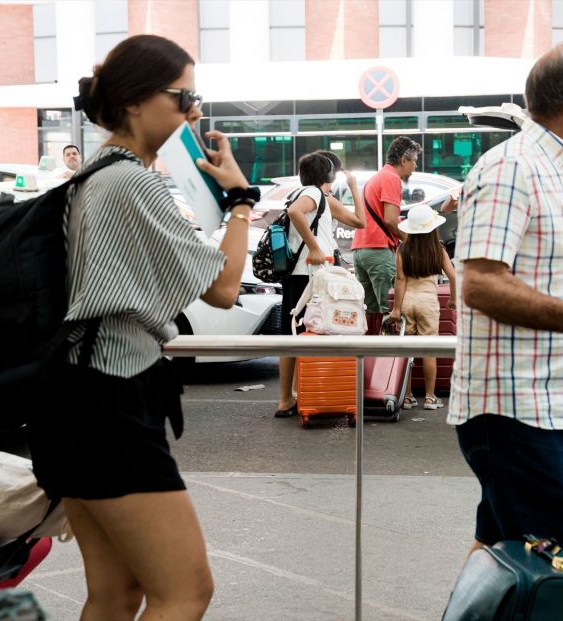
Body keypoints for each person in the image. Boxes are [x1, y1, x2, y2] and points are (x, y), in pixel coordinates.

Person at [27, 34, 254, 621]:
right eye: (184, 97)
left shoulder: (96, 174)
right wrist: (241, 199)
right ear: (133, 101)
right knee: (185, 592)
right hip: (108, 403)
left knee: (116, 595)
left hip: (75, 395)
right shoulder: (129, 181)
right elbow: (224, 287)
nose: (194, 111)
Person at [447, 41, 563, 568]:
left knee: (497, 556)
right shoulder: (512, 168)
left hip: (542, 405)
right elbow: (481, 285)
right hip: (513, 408)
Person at [274, 150, 365, 417]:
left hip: (303, 274)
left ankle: (293, 396)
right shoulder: (313, 193)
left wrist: (353, 188)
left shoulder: (316, 196)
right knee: (303, 334)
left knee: (295, 335)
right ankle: (291, 398)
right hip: (308, 274)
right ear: (329, 175)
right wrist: (314, 247)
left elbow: (359, 222)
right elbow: (294, 211)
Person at [388, 203, 457, 410]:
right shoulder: (439, 250)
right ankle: (430, 397)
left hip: (407, 302)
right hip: (428, 303)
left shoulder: (402, 249)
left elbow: (400, 280)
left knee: (407, 351)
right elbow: (454, 277)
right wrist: (453, 300)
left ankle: (407, 396)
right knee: (429, 350)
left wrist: (396, 309)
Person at [351, 136, 422, 331]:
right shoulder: (392, 178)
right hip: (379, 250)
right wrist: (410, 240)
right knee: (390, 309)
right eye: (414, 160)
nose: (415, 166)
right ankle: (388, 350)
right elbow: (390, 219)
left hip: (361, 250)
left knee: (370, 309)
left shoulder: (377, 177)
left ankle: (370, 348)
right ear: (403, 160)